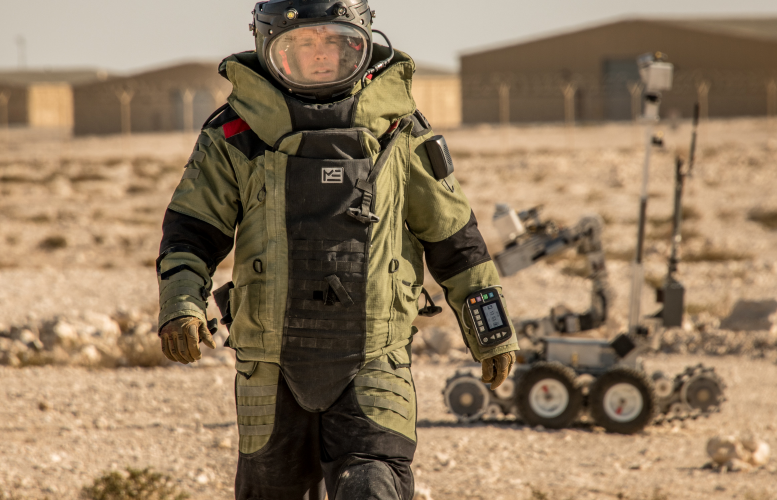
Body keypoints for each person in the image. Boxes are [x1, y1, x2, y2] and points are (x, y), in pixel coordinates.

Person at [155, 1, 518, 498]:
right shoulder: (234, 134)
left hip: (374, 356)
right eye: (302, 44)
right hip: (270, 366)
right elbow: (192, 232)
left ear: (361, 46)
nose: (320, 56)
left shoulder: (400, 130)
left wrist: (490, 329)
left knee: (374, 485)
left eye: (334, 43)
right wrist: (180, 303)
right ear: (270, 51)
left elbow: (455, 238)